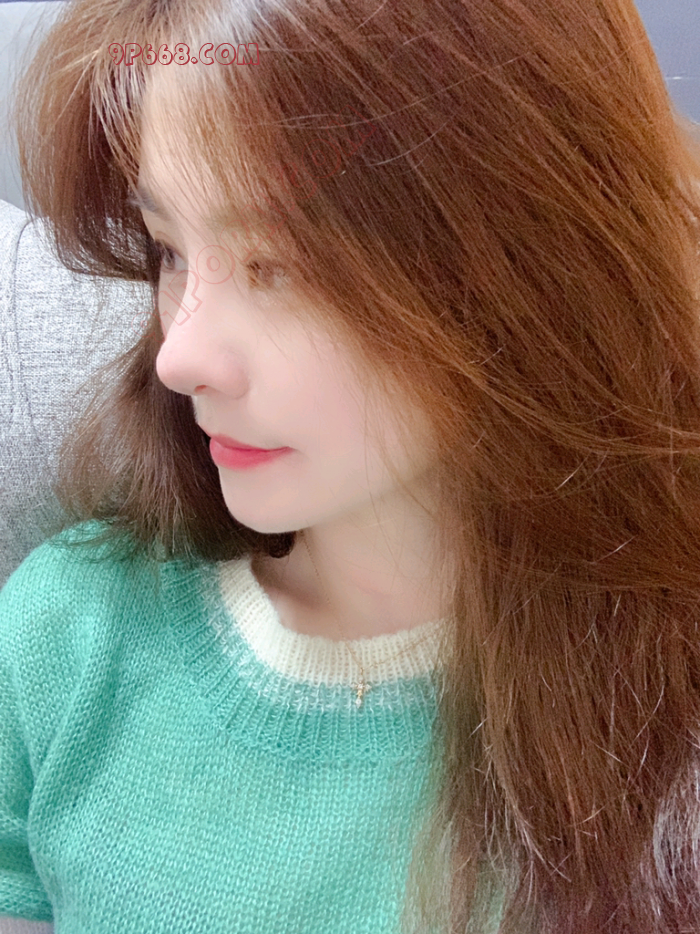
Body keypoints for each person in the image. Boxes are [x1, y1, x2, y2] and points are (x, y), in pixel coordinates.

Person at [3, 0, 700, 931]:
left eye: (279, 262)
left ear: (531, 267)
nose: (182, 355)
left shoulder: (662, 710)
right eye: (169, 249)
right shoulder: (70, 636)